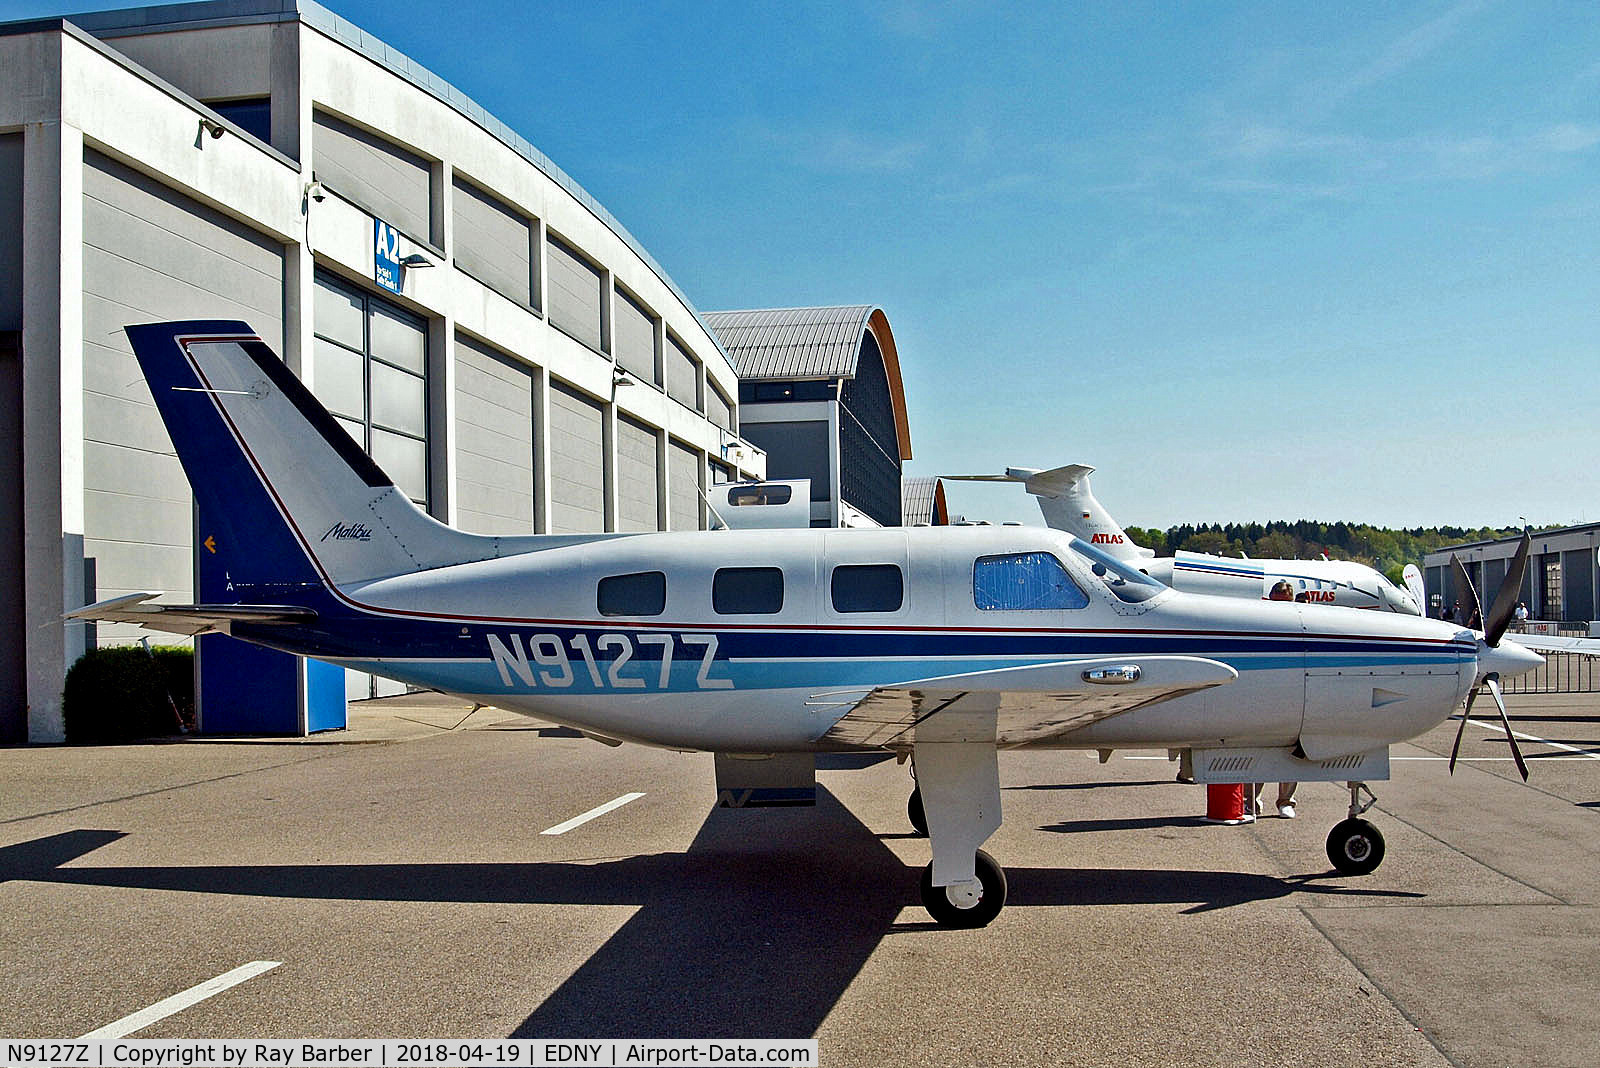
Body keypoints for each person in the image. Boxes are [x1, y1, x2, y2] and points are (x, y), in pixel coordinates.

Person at [1257, 578, 1297, 817]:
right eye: (1278, 602)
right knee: (1260, 750)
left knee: (1293, 752)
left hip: (1291, 695)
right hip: (1267, 695)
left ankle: (1286, 802)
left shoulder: (1298, 623)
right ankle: (1253, 801)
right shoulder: (1262, 622)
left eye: (1286, 602)